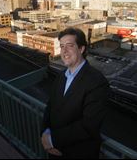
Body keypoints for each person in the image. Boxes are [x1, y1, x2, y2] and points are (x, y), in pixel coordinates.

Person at [41, 27, 110, 158]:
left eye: (70, 46)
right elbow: (50, 107)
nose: (64, 51)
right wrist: (44, 133)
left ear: (81, 49)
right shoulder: (61, 76)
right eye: (61, 46)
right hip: (54, 151)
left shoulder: (97, 82)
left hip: (77, 153)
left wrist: (52, 140)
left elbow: (89, 125)